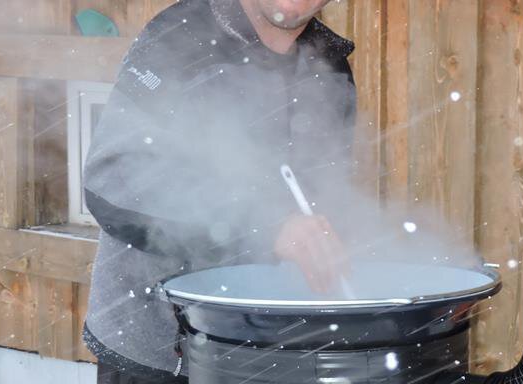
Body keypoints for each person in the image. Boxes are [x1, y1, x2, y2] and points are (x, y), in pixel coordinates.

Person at [81, 0, 357, 382]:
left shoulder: (330, 66)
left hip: (270, 351)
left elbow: (318, 197)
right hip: (161, 352)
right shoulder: (179, 38)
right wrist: (266, 227)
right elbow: (113, 181)